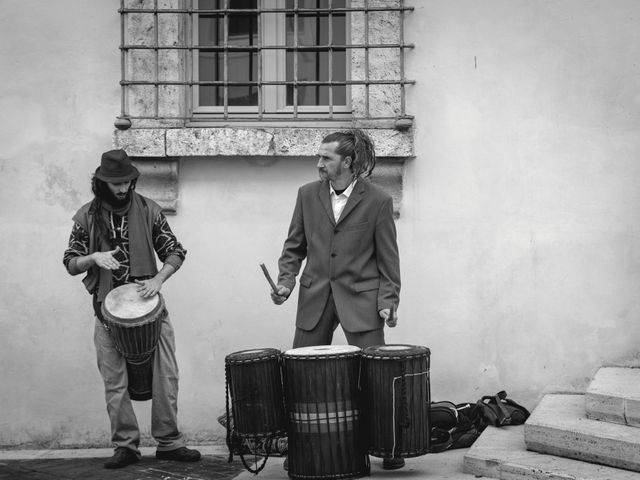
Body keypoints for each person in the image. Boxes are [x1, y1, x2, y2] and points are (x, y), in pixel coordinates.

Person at [270, 129, 404, 470]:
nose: (319, 164)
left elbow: (389, 260)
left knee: (376, 376)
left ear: (347, 162)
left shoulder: (378, 201)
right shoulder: (306, 195)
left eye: (326, 158)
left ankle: (388, 446)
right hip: (315, 295)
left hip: (361, 299)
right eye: (319, 157)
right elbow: (293, 248)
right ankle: (301, 448)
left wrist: (388, 300)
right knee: (301, 376)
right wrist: (285, 282)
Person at [63, 149, 201, 469]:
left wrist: (159, 279)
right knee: (115, 383)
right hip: (106, 311)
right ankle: (125, 445)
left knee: (167, 376)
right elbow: (70, 262)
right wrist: (93, 259)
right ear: (102, 183)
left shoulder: (148, 209)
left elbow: (175, 252)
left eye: (127, 181)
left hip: (151, 309)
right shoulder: (86, 216)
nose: (123, 188)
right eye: (116, 183)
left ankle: (168, 442)